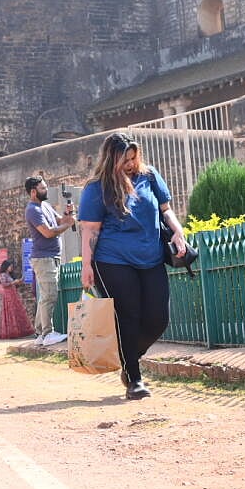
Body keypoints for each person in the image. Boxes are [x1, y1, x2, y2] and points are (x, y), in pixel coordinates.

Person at [78, 132, 189, 401]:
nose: (130, 163)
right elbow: (90, 230)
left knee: (157, 318)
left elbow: (165, 209)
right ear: (111, 159)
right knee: (128, 317)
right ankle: (134, 379)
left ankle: (129, 356)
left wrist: (177, 231)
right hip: (113, 260)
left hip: (150, 256)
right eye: (124, 159)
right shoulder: (97, 188)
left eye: (133, 157)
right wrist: (86, 265)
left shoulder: (149, 176)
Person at [24, 176, 76, 346]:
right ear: (33, 192)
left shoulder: (44, 206)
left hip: (51, 256)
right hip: (43, 257)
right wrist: (68, 225)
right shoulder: (32, 210)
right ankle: (47, 333)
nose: (46, 190)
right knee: (49, 295)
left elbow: (59, 221)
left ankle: (40, 333)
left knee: (45, 296)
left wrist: (68, 214)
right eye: (42, 188)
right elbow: (47, 232)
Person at [0, 259, 34, 339]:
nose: (11, 268)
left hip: (13, 294)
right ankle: (11, 331)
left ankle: (19, 330)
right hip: (8, 295)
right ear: (6, 267)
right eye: (10, 266)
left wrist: (19, 281)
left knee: (16, 311)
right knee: (10, 311)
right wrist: (14, 282)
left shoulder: (9, 275)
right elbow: (4, 284)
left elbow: (12, 284)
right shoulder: (3, 274)